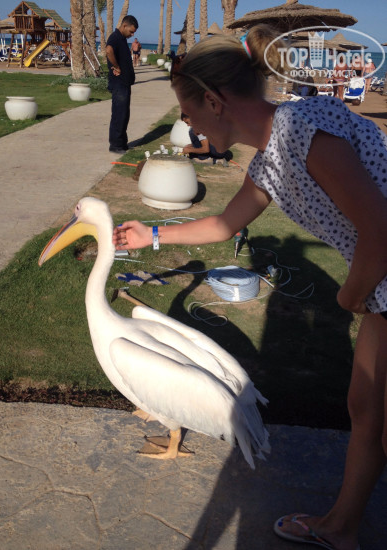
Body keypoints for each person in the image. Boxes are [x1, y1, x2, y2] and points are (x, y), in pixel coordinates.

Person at [114, 24, 387, 550]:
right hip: (381, 286)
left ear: (214, 102)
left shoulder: (303, 128)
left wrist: (350, 297)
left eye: (187, 112)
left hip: (378, 278)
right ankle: (342, 528)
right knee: (366, 411)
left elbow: (380, 228)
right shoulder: (270, 159)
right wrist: (151, 234)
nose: (187, 125)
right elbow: (223, 225)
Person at [106, 15, 139, 154]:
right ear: (124, 26)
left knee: (124, 114)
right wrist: (116, 66)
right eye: (131, 31)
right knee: (119, 114)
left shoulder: (122, 39)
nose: (132, 35)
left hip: (124, 83)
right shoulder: (115, 37)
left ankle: (122, 143)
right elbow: (108, 50)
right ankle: (115, 145)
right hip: (118, 83)